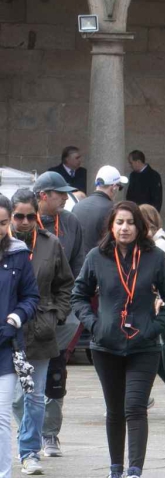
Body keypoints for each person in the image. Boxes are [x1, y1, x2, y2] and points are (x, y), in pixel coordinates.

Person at [71, 199, 165, 478]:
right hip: (106, 346)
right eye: (119, 222)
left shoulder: (154, 257)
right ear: (111, 226)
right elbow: (78, 296)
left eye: (130, 222)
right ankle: (115, 471)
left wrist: (157, 327)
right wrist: (95, 324)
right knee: (114, 409)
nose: (124, 228)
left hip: (144, 346)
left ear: (140, 227)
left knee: (135, 407)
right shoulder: (97, 256)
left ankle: (134, 473)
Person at [7, 190, 72, 478]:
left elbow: (65, 284)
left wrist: (57, 314)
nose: (23, 221)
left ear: (37, 215)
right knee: (15, 398)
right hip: (7, 329)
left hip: (40, 328)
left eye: (29, 216)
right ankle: (27, 436)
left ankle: (29, 452)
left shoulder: (50, 243)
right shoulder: (4, 245)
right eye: (18, 216)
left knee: (33, 395)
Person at [31, 171, 84, 457]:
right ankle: (30, 432)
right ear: (42, 196)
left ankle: (50, 434)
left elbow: (76, 266)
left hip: (61, 310)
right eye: (59, 193)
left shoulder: (72, 222)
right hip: (28, 309)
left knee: (56, 371)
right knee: (22, 376)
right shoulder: (24, 221)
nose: (65, 197)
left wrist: (67, 307)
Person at [0, 194, 40, 478]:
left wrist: (15, 317)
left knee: (1, 419)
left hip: (5, 348)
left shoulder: (18, 254)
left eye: (2, 222)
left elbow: (30, 296)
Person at [139, 204, 165, 403]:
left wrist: (159, 296)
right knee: (159, 357)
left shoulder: (160, 244)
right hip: (155, 307)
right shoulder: (151, 243)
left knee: (164, 357)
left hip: (162, 308)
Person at [72, 165, 130, 261]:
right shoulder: (112, 210)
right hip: (101, 266)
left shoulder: (77, 206)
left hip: (77, 268)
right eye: (119, 187)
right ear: (114, 187)